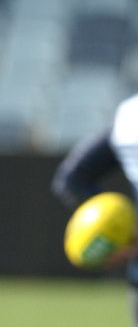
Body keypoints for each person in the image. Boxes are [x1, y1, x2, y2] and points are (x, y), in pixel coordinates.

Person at [52, 95, 138, 325]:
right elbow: (71, 180)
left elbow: (71, 179)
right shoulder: (131, 117)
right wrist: (116, 226)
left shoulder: (131, 115)